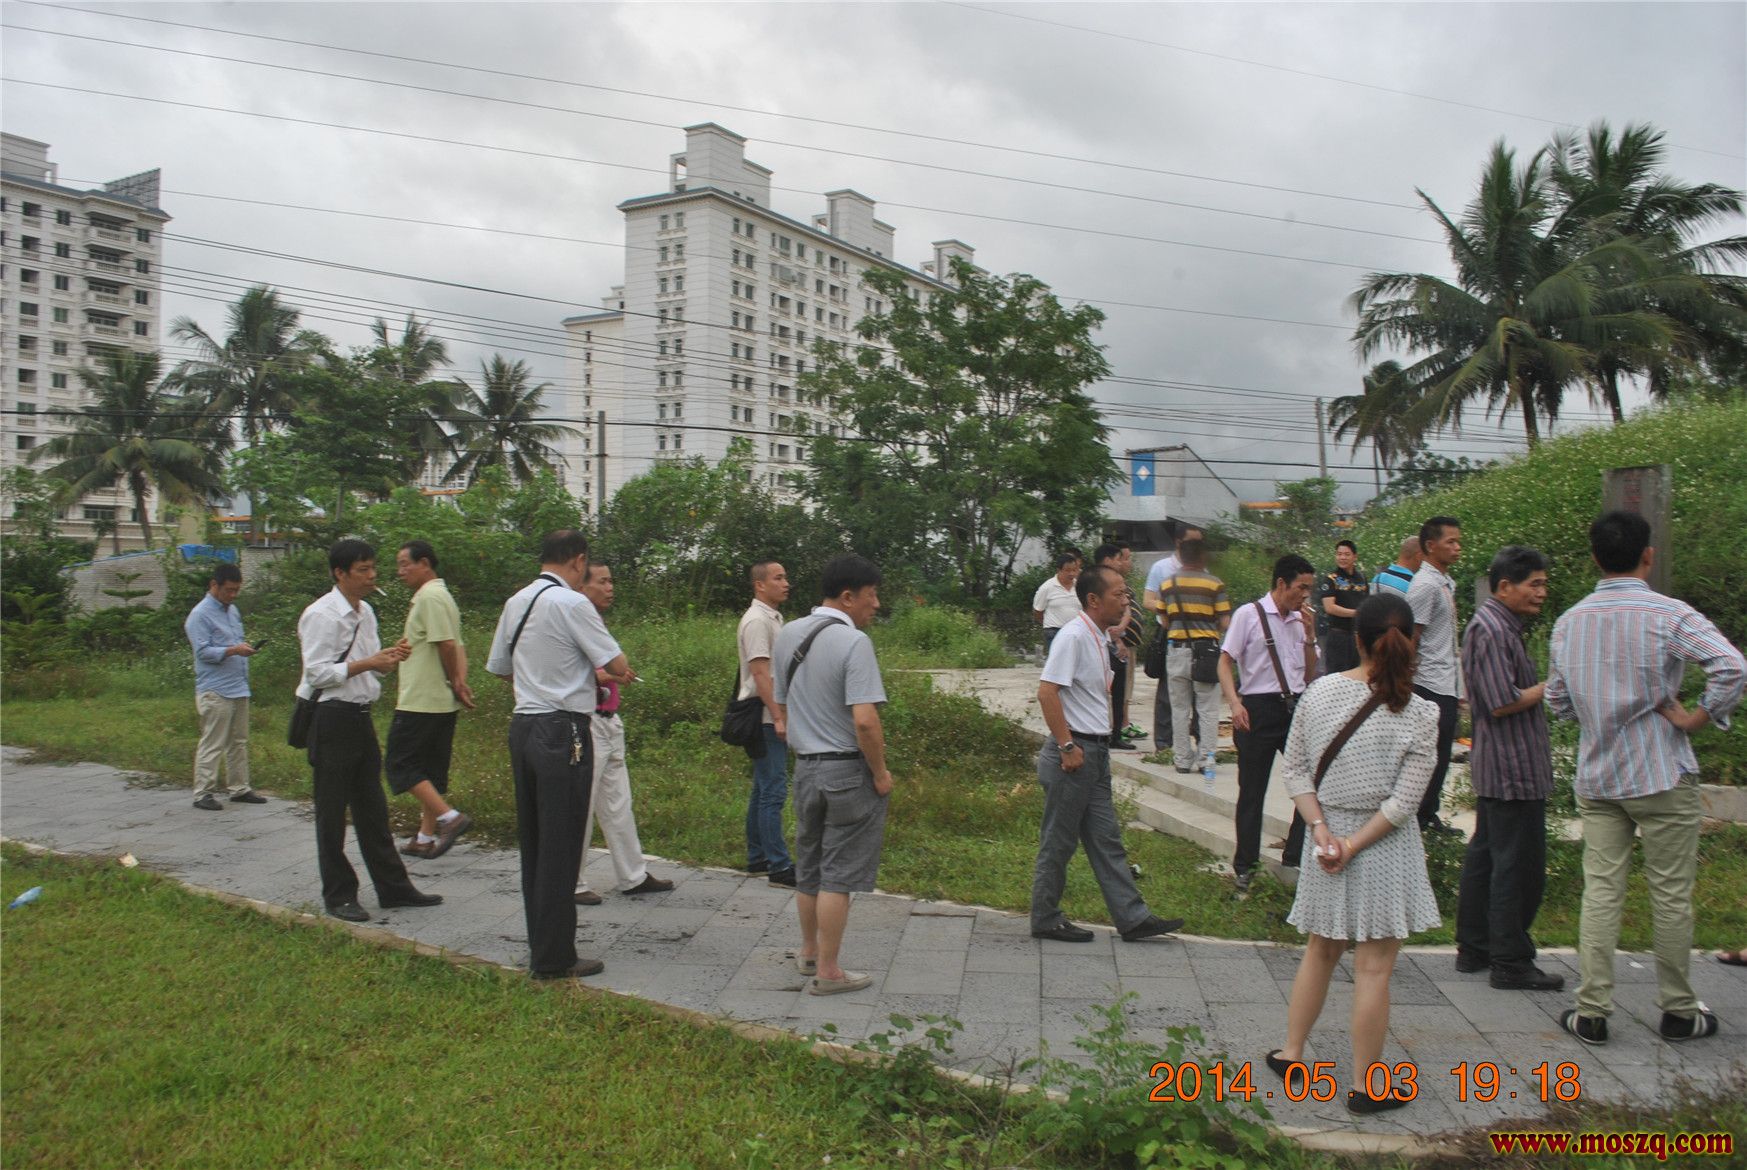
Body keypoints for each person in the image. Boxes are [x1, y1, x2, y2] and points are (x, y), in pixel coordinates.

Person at [1547, 511, 1744, 1046]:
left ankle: (1591, 1011)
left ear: (1594, 557)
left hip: (1599, 776)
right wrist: (1697, 718)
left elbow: (1557, 701)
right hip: (1661, 771)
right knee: (1671, 894)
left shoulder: (1569, 622)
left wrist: (1594, 712)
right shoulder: (1670, 614)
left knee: (1601, 891)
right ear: (1648, 556)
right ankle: (1679, 1011)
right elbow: (1731, 666)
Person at [1266, 593, 1442, 1116]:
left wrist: (1323, 831)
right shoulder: (1422, 712)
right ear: (1411, 641)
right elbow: (1404, 804)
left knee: (1320, 949)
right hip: (1384, 845)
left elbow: (1295, 770)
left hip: (1326, 838)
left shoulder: (1319, 692)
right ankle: (1367, 1085)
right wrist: (1353, 844)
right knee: (1374, 968)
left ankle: (1291, 1052)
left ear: (1358, 639)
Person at [486, 529, 634, 981]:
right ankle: (554, 958)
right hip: (564, 730)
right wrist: (588, 676)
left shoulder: (517, 601)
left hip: (524, 726)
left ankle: (542, 944)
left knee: (535, 843)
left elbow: (500, 668)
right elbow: (618, 665)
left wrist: (543, 679)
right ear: (578, 560)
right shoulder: (572, 603)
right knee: (562, 844)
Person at [1030, 564, 1185, 944]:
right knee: (1059, 841)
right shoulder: (1072, 636)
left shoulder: (1099, 636)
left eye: (1127, 593)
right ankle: (1045, 917)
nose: (1126, 600)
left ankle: (1133, 918)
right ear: (1094, 599)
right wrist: (1067, 746)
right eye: (1118, 594)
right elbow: (1047, 692)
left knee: (1106, 838)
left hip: (1095, 754)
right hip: (1073, 756)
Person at [296, 539, 441, 923]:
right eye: (363, 570)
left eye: (373, 568)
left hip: (360, 716)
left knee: (373, 808)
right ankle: (339, 894)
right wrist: (368, 663)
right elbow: (317, 673)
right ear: (339, 573)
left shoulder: (367, 612)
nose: (372, 576)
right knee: (332, 811)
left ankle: (394, 887)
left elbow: (373, 666)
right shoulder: (322, 614)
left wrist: (388, 660)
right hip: (331, 718)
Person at [771, 555, 894, 995]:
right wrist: (880, 773)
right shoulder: (854, 642)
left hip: (805, 769)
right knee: (838, 875)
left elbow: (781, 704)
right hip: (845, 771)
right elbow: (865, 721)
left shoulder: (788, 634)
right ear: (847, 596)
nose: (875, 604)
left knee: (809, 866)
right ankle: (829, 971)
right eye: (871, 595)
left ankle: (808, 953)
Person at [1455, 546, 1563, 992]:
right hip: (1511, 768)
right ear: (1504, 586)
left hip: (1507, 766)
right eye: (1534, 584)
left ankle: (1476, 948)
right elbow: (1501, 702)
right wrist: (1550, 687)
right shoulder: (1491, 630)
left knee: (1488, 857)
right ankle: (1511, 961)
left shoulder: (1501, 627)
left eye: (1543, 584)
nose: (1542, 592)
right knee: (1516, 867)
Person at [573, 561, 673, 904]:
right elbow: (579, 671)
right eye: (602, 581)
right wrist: (614, 675)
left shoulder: (596, 621)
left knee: (618, 802)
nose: (610, 587)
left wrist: (613, 676)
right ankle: (572, 882)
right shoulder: (576, 618)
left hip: (609, 719)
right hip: (588, 720)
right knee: (582, 803)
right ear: (583, 586)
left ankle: (633, 875)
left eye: (611, 581)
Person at [1218, 554, 1319, 894]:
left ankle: (1294, 857)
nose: (1305, 595)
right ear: (1281, 583)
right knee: (1252, 791)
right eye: (1300, 587)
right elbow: (1225, 661)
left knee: (1309, 783)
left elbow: (1309, 673)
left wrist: (1309, 635)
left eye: (1309, 588)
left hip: (1295, 709)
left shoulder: (1302, 620)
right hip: (1257, 710)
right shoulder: (1249, 615)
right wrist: (1235, 703)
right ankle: (1245, 867)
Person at [387, 540, 475, 860]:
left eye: (405, 564)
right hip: (439, 700)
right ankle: (424, 838)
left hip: (422, 699)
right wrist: (459, 683)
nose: (400, 571)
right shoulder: (442, 596)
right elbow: (457, 645)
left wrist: (456, 680)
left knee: (400, 763)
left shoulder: (430, 597)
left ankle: (450, 818)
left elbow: (448, 645)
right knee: (428, 770)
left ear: (424, 563)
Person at [183, 563, 264, 810]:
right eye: (229, 590)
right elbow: (203, 651)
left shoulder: (233, 611)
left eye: (237, 590)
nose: (233, 595)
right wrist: (233, 650)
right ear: (214, 585)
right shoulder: (200, 615)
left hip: (238, 686)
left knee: (238, 741)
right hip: (215, 689)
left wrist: (242, 648)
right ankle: (202, 793)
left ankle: (239, 788)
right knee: (213, 741)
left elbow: (234, 642)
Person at [737, 560, 795, 886]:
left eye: (785, 577)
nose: (785, 583)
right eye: (778, 578)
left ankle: (757, 857)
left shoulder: (771, 618)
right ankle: (779, 866)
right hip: (764, 716)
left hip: (768, 715)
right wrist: (778, 716)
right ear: (760, 585)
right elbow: (760, 673)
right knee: (773, 791)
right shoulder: (757, 621)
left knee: (762, 789)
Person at [1406, 516, 1464, 836]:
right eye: (1450, 542)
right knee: (1430, 754)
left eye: (1458, 542)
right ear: (1430, 546)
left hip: (1445, 680)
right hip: (1429, 683)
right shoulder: (1425, 586)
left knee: (1442, 754)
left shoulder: (1443, 582)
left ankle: (1429, 815)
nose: (1457, 548)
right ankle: (1419, 818)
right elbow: (1412, 637)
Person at [1155, 538, 1231, 774]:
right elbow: (1225, 622)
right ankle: (1206, 760)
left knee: (1179, 708)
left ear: (1182, 556)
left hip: (1176, 650)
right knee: (1207, 709)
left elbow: (1164, 621)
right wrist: (1209, 629)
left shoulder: (1167, 584)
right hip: (1206, 652)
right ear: (1202, 557)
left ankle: (1182, 759)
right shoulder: (1215, 584)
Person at [1144, 524, 1206, 753]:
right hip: (1170, 633)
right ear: (1179, 542)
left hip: (1199, 636)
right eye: (1193, 542)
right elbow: (1148, 600)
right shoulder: (1161, 568)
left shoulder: (1203, 570)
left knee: (1200, 689)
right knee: (1167, 691)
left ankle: (1200, 742)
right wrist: (1171, 610)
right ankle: (1164, 744)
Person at [1093, 541, 1145, 748]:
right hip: (1108, 643)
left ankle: (1117, 732)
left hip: (1121, 642)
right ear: (1107, 560)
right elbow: (1104, 614)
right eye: (1120, 558)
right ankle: (1106, 731)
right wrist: (1117, 638)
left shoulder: (1117, 582)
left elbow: (1126, 609)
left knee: (1121, 689)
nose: (1124, 563)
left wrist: (1121, 631)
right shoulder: (1097, 582)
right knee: (1107, 688)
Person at [1317, 540, 1370, 674]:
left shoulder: (1362, 578)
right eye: (1339, 554)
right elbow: (1329, 607)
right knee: (1337, 675)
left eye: (1346, 554)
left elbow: (1367, 603)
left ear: (1355, 557)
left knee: (1358, 673)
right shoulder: (1331, 579)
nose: (1342, 557)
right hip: (1338, 636)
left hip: (1358, 636)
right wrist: (1356, 613)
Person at [1032, 552, 1083, 652]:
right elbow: (1038, 611)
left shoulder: (1079, 586)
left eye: (1074, 570)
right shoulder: (1047, 587)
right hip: (1054, 632)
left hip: (1076, 631)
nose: (1071, 574)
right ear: (1059, 570)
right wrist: (1048, 624)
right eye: (1067, 570)